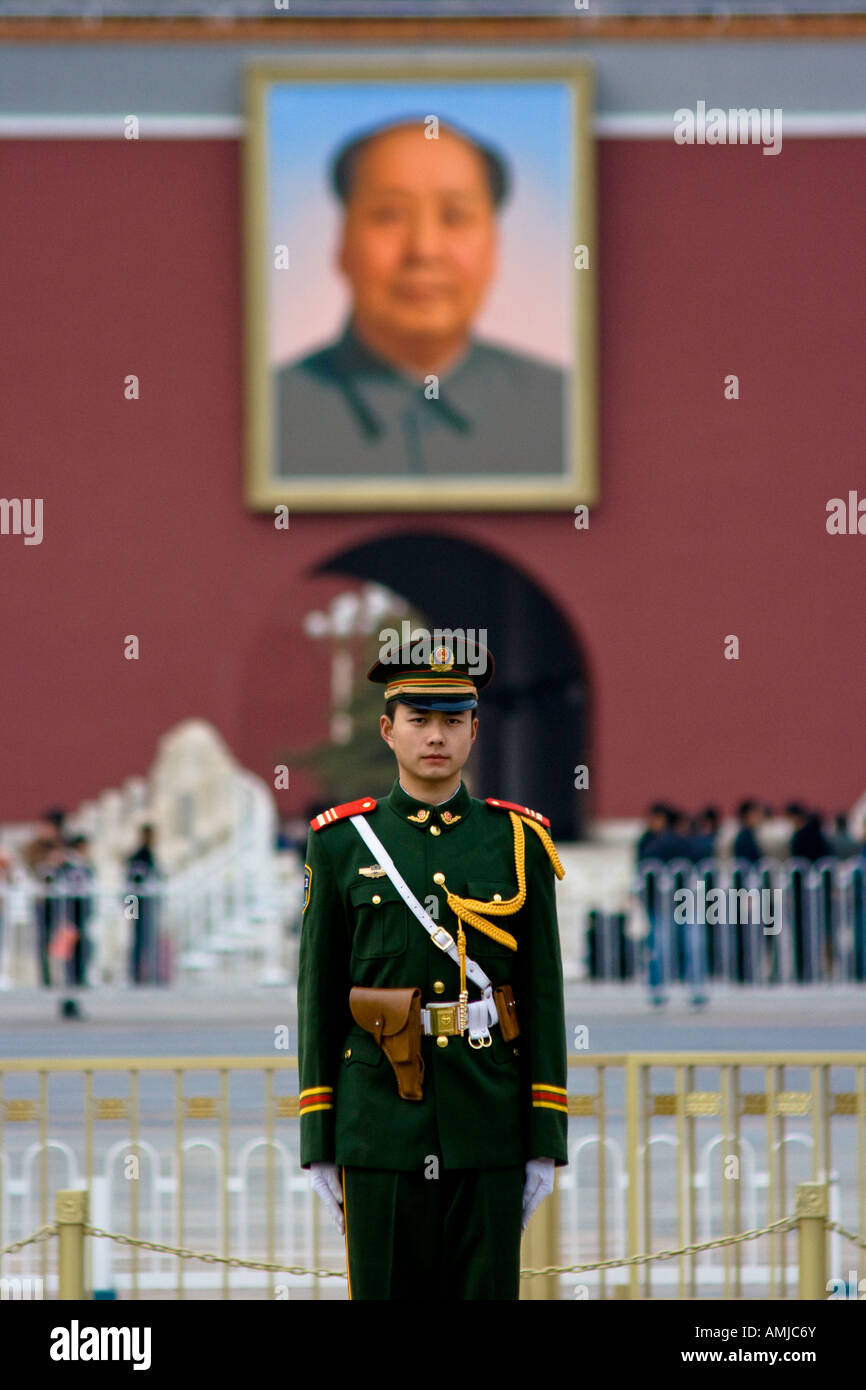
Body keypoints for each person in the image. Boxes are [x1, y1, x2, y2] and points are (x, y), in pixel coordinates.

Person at [297, 639, 568, 1300]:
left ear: (476, 729)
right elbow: (319, 996)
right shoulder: (341, 843)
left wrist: (544, 1134)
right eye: (419, 720)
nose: (436, 736)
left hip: (490, 1115)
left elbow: (542, 993)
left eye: (452, 720)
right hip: (379, 1122)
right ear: (388, 731)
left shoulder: (517, 840)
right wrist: (320, 1133)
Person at [274, 118, 566, 479]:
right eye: (389, 215)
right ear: (342, 244)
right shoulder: (267, 416)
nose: (424, 249)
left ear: (494, 248)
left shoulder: (567, 413)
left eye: (455, 216)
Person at [125, 825, 162, 984]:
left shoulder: (149, 854)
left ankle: (145, 974)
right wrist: (129, 909)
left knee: (145, 938)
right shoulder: (140, 855)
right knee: (139, 938)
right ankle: (136, 975)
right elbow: (134, 881)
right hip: (137, 903)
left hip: (142, 903)